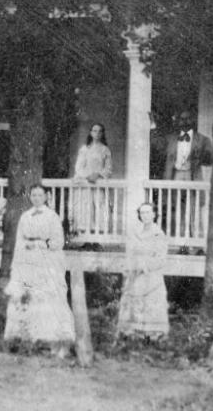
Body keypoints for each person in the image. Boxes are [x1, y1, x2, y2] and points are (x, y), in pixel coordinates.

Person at [3, 184, 76, 353]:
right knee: (27, 293)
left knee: (46, 295)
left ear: (46, 197)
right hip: (28, 261)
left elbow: (58, 241)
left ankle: (50, 340)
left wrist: (40, 244)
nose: (36, 198)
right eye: (33, 195)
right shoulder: (25, 216)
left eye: (39, 195)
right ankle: (27, 338)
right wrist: (18, 264)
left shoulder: (52, 216)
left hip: (46, 261)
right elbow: (19, 242)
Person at [118, 202, 170, 337]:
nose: (145, 215)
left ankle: (152, 334)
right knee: (133, 300)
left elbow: (161, 258)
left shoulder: (158, 233)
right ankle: (134, 332)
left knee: (151, 301)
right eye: (142, 213)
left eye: (148, 212)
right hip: (135, 271)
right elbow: (132, 251)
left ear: (154, 214)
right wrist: (131, 266)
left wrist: (145, 267)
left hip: (150, 273)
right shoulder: (137, 231)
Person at [71, 123, 114, 236]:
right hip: (86, 183)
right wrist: (88, 175)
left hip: (98, 183)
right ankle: (86, 239)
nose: (97, 133)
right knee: (85, 209)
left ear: (103, 134)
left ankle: (97, 240)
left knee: (99, 209)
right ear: (90, 133)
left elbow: (108, 169)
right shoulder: (85, 149)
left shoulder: (105, 150)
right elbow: (78, 167)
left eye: (100, 131)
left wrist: (98, 174)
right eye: (94, 131)